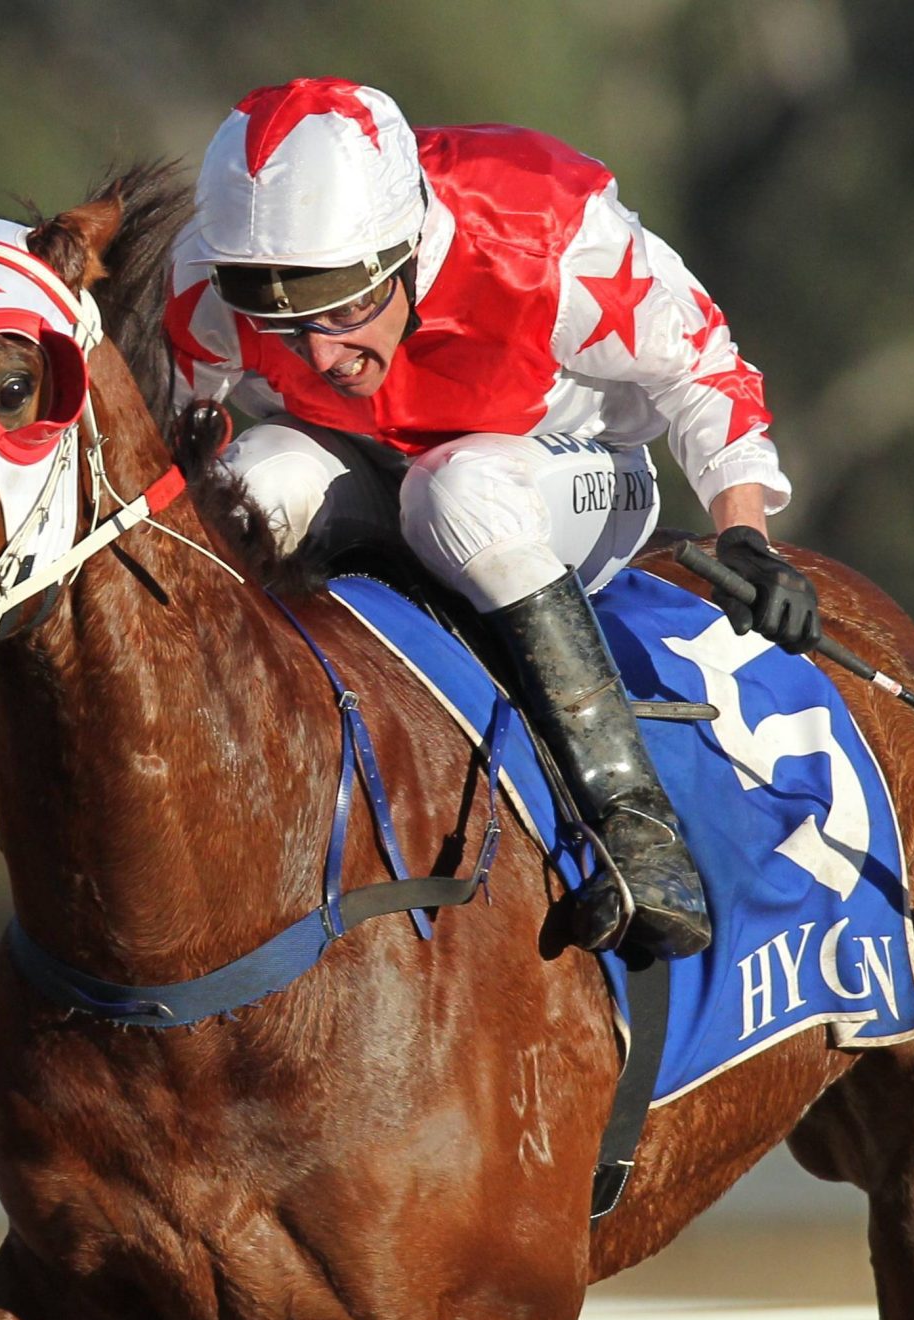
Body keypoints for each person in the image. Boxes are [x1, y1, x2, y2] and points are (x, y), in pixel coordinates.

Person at [167, 77, 822, 960]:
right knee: (257, 478)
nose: (325, 353)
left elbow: (703, 366)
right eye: (283, 318)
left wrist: (746, 531)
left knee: (458, 490)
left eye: (348, 304)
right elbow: (174, 463)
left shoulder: (542, 232)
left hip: (571, 474)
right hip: (372, 468)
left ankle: (639, 827)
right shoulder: (213, 276)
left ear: (406, 252)